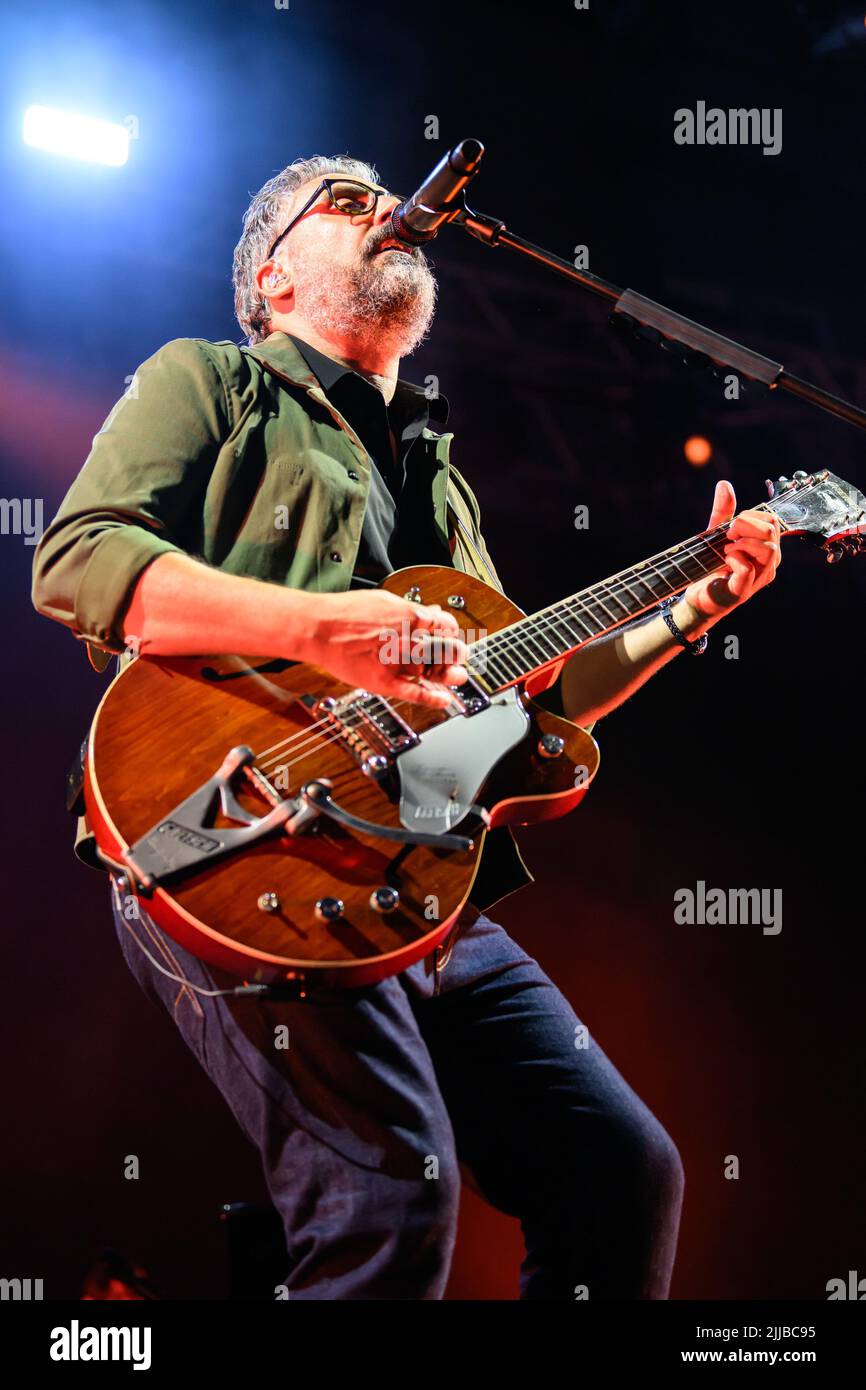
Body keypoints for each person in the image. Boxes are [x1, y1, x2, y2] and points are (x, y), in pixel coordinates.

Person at [31, 154, 781, 1300]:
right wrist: (328, 630)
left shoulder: (440, 474)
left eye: (385, 197)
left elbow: (538, 702)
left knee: (619, 1173)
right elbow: (78, 558)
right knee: (389, 1199)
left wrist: (694, 604)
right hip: (243, 830)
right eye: (343, 202)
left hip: (425, 883)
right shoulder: (214, 382)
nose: (385, 209)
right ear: (270, 285)